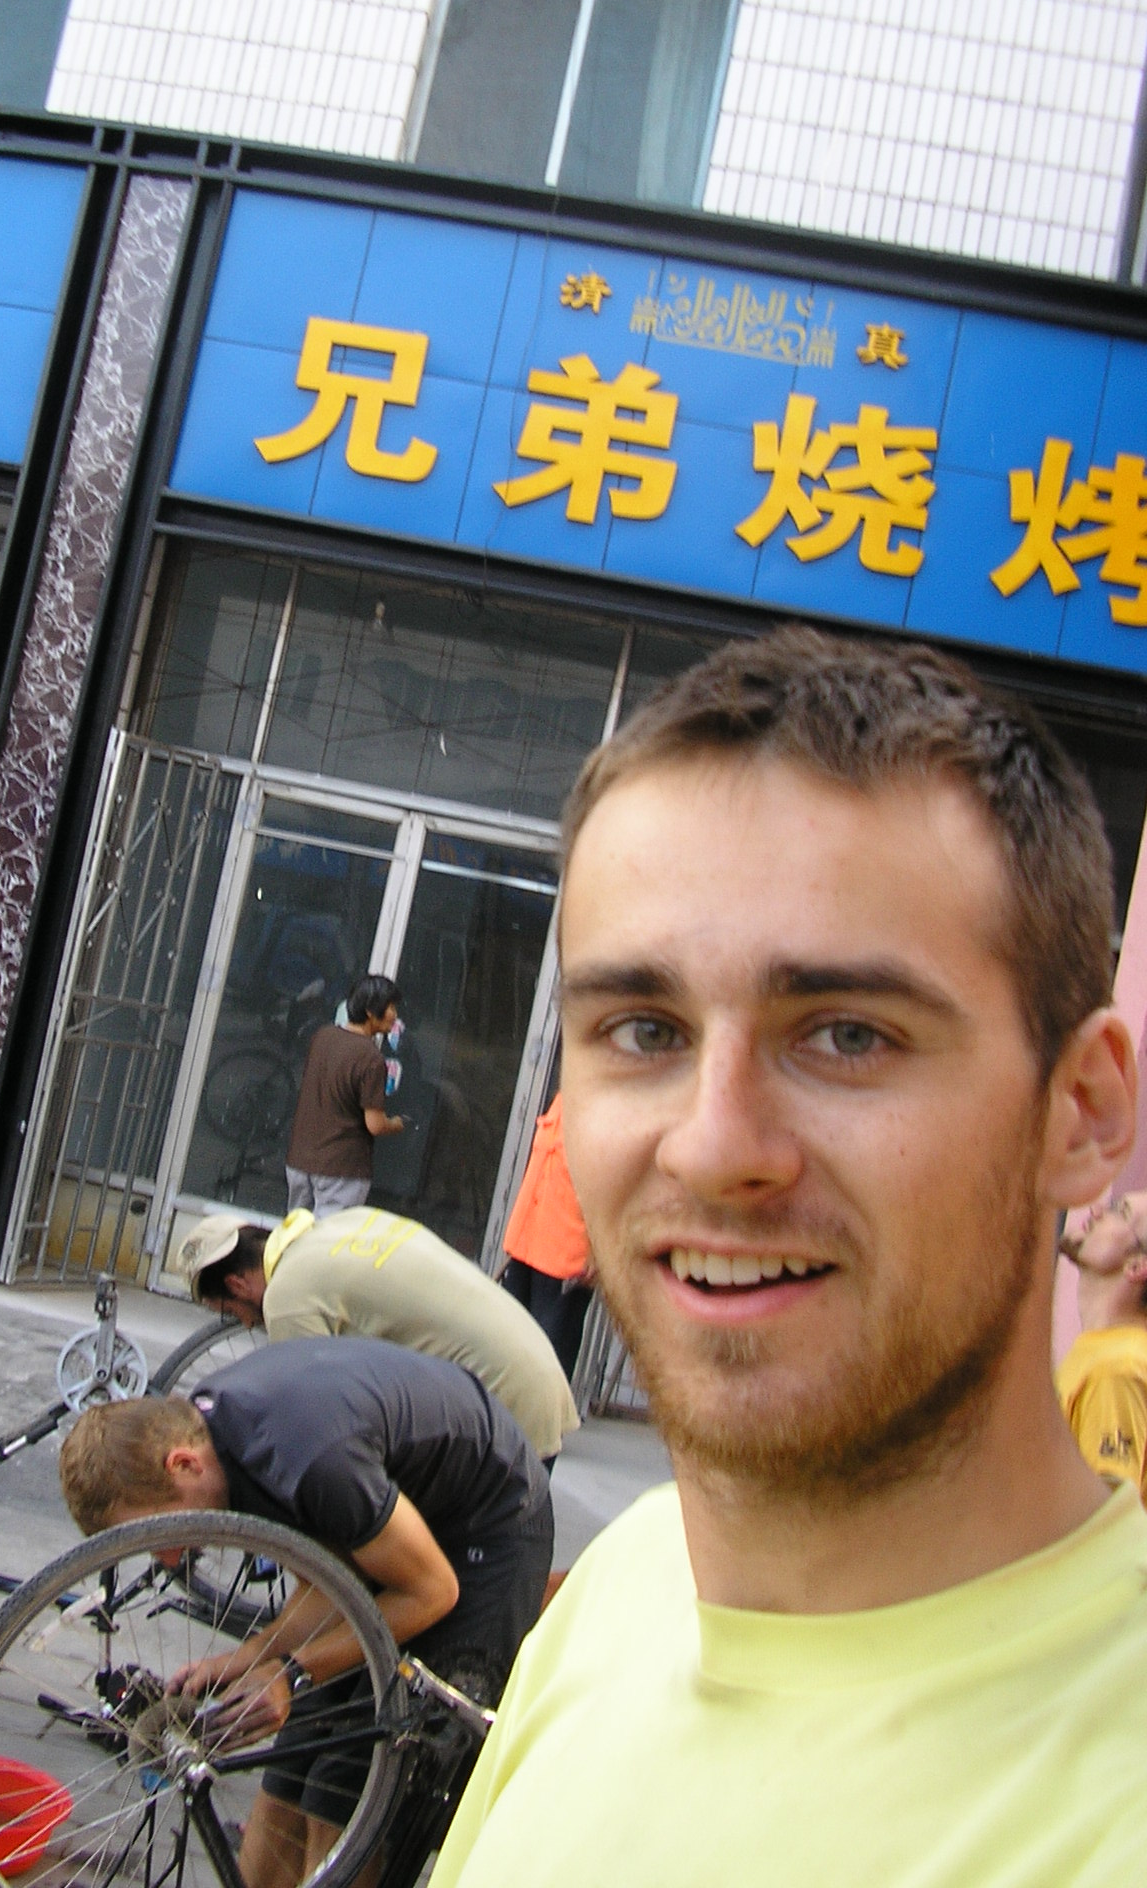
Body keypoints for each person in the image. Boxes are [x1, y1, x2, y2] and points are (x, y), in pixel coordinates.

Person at [433, 626, 1147, 1888]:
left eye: (850, 1035)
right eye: (643, 1027)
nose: (713, 1148)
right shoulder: (623, 1586)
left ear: (1082, 1111)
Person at [60, 1336, 552, 1888]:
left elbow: (432, 1593)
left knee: (351, 1785)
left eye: (159, 1532)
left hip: (486, 1533)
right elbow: (325, 1584)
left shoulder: (308, 1461)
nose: (169, 1556)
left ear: (182, 1464)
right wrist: (254, 1657)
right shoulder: (218, 1443)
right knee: (293, 1771)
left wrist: (292, 1671)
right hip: (394, 1518)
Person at [178, 1204, 579, 1460]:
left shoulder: (288, 1294)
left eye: (230, 1311)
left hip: (505, 1405)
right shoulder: (343, 1224)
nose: (247, 1323)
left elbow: (306, 1423)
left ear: (236, 1286)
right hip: (535, 1370)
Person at [283, 974, 404, 1216]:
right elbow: (375, 1124)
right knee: (327, 1246)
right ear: (371, 1011)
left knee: (294, 1237)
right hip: (341, 1169)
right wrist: (397, 1124)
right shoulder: (371, 1058)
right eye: (391, 1008)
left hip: (300, 1160)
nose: (395, 1016)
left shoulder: (322, 1037)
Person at [1055, 1191, 1147, 1497]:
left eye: (1119, 1212)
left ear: (1137, 1266)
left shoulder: (1114, 1369)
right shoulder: (1112, 1355)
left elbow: (1104, 1516)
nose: (1096, 1211)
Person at [499, 1092, 595, 1383]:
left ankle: (542, 1427)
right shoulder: (565, 1097)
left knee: (548, 1362)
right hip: (526, 1243)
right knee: (507, 1347)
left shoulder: (612, 1107)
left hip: (567, 1257)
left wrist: (599, 1252)